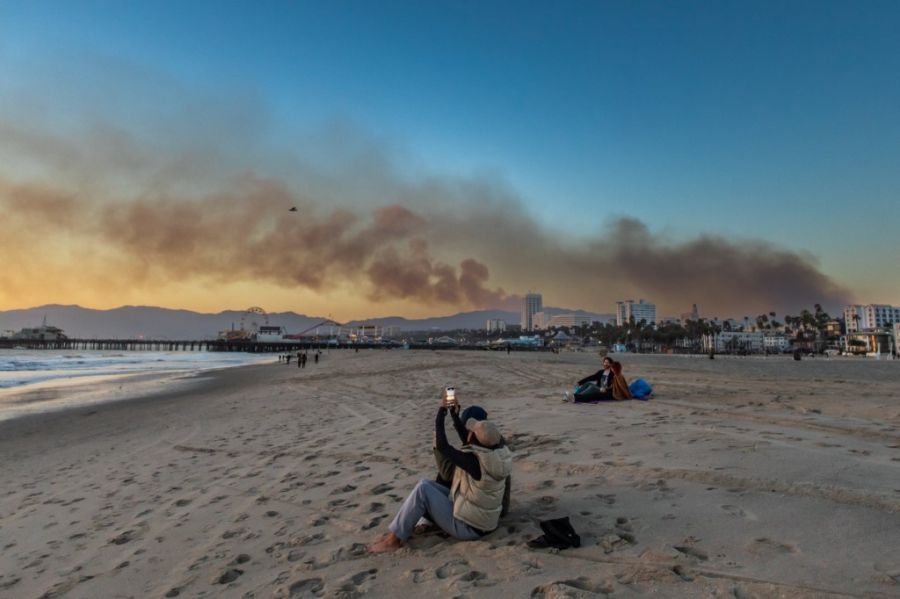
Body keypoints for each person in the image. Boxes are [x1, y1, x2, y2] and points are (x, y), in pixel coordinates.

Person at [366, 392, 513, 554]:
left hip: (470, 528)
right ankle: (397, 532)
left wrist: (441, 412)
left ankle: (392, 541)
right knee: (426, 484)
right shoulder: (496, 454)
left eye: (471, 431)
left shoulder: (475, 463)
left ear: (474, 438)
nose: (468, 432)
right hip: (483, 522)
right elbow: (467, 438)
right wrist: (453, 413)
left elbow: (443, 446)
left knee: (423, 491)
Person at [432, 403, 511, 519]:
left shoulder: (482, 458)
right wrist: (454, 416)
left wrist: (441, 415)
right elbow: (466, 438)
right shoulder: (495, 444)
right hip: (499, 506)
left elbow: (447, 473)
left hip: (488, 513)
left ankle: (428, 518)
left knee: (444, 476)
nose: (467, 433)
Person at [564, 355, 632, 402]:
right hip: (600, 388)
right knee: (588, 383)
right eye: (604, 362)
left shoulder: (614, 375)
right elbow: (592, 377)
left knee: (592, 387)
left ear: (611, 364)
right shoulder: (601, 372)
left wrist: (606, 389)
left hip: (607, 392)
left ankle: (576, 397)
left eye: (607, 363)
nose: (605, 364)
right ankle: (573, 395)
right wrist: (580, 382)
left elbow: (616, 386)